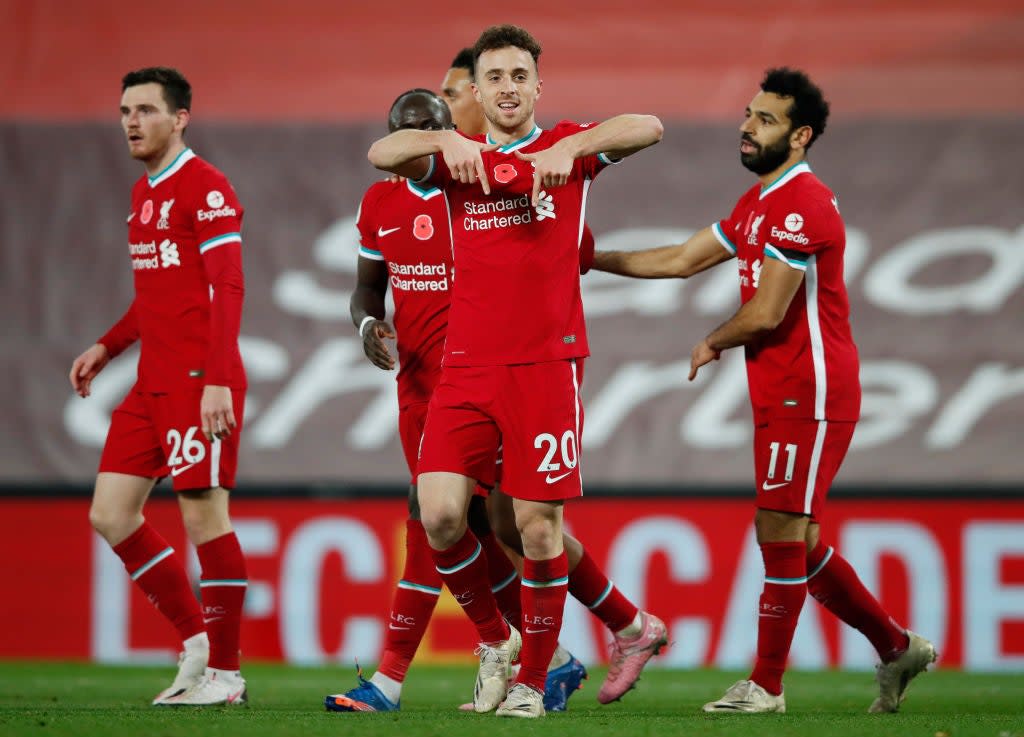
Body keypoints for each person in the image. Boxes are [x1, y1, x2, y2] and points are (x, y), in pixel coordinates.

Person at [591, 67, 935, 714]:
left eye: (766, 119)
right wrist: (588, 258)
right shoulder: (758, 203)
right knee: (795, 540)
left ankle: (767, 686)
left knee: (779, 528)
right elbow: (680, 258)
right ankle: (895, 646)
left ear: (801, 135)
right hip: (780, 391)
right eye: (749, 114)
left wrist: (713, 339)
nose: (748, 126)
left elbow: (769, 310)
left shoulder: (804, 204)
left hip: (813, 389)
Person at [327, 88, 662, 715]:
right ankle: (594, 637)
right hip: (428, 382)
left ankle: (413, 673)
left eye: (442, 118)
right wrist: (367, 325)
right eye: (417, 126)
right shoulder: (386, 201)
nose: (429, 130)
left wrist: (570, 154)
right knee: (469, 521)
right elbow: (366, 288)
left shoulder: (491, 181)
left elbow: (575, 242)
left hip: (511, 372)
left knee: (508, 522)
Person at [441, 45, 664, 710]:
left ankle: (537, 671)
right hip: (458, 368)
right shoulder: (442, 163)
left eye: (518, 76)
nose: (504, 89)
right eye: (489, 80)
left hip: (538, 363)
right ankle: (626, 624)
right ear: (473, 95)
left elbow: (647, 124)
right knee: (463, 518)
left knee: (527, 525)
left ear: (539, 86)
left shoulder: (565, 150)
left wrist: (575, 147)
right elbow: (385, 152)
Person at [69, 67, 249, 707]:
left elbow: (225, 287)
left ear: (180, 118)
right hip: (152, 385)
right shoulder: (144, 195)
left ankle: (225, 677)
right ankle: (196, 643)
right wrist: (107, 345)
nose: (130, 121)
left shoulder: (205, 188)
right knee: (111, 513)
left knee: (205, 520)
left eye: (145, 109)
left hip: (200, 381)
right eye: (124, 110)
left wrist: (219, 380)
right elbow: (158, 298)